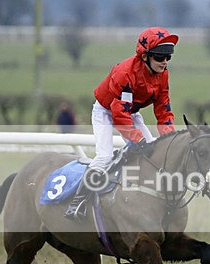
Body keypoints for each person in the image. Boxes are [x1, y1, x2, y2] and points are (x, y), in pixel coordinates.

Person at [66, 27, 178, 218]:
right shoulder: (124, 73)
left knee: (152, 154)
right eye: (160, 56)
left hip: (130, 111)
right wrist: (137, 140)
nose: (165, 61)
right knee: (104, 157)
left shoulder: (163, 74)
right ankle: (77, 202)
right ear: (145, 56)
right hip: (106, 111)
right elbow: (119, 116)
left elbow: (163, 109)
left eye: (169, 56)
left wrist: (170, 139)